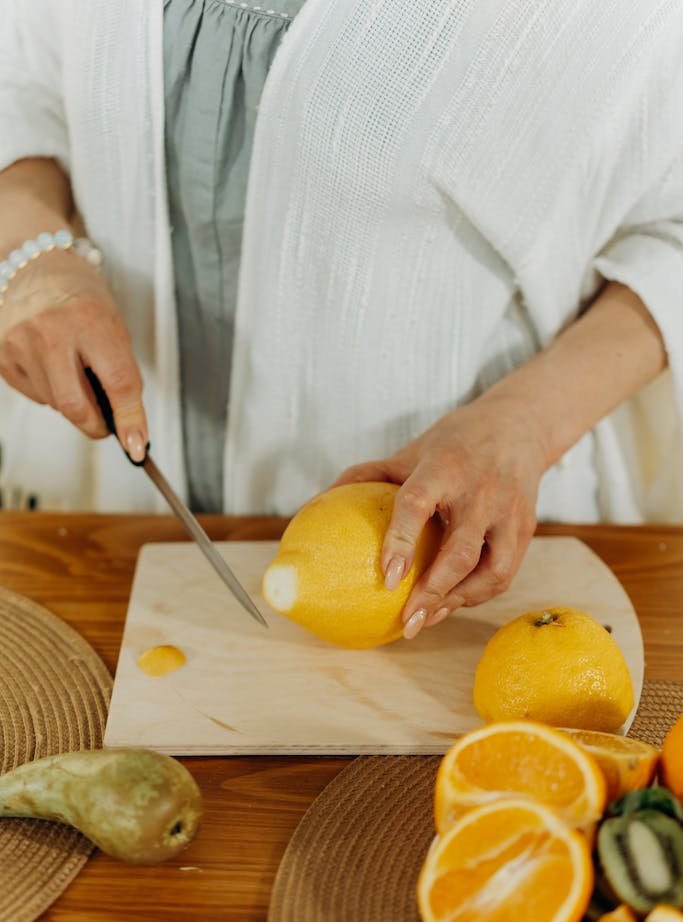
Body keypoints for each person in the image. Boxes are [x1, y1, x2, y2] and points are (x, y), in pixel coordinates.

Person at [0, 0, 682, 640]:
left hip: (459, 535)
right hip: (105, 521)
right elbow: (20, 77)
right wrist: (29, 255)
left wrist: (527, 423)